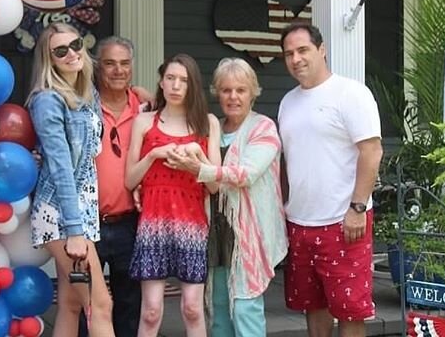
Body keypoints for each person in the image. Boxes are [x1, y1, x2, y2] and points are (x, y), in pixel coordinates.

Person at [166, 57, 288, 337]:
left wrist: (201, 169)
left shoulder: (263, 128)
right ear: (217, 93)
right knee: (218, 309)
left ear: (252, 92)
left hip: (248, 234)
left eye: (240, 90)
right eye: (226, 90)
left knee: (245, 308)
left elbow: (247, 173)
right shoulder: (212, 128)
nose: (233, 97)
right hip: (214, 232)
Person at [277, 24, 383, 337]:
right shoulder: (288, 102)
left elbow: (372, 151)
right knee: (313, 305)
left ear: (321, 50)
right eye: (289, 54)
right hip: (300, 222)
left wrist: (357, 208)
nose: (296, 59)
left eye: (303, 50)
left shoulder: (351, 93)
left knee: (350, 310)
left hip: (344, 222)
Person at [27, 23, 115, 337]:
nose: (71, 54)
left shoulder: (86, 93)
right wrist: (75, 232)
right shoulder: (48, 101)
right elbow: (62, 169)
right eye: (60, 51)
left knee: (71, 304)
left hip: (82, 212)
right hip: (62, 215)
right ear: (48, 59)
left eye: (75, 45)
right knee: (100, 305)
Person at [125, 53, 221, 337]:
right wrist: (154, 154)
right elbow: (130, 180)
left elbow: (215, 184)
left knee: (192, 307)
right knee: (151, 311)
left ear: (193, 86)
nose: (176, 86)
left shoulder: (207, 122)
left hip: (192, 224)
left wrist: (197, 155)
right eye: (171, 78)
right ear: (161, 82)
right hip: (153, 223)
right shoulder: (144, 121)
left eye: (184, 80)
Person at [91, 36, 144, 337]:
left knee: (129, 304)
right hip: (90, 225)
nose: (118, 70)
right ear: (98, 67)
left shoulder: (145, 110)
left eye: (124, 63)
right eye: (110, 63)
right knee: (89, 304)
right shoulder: (82, 107)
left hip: (130, 223)